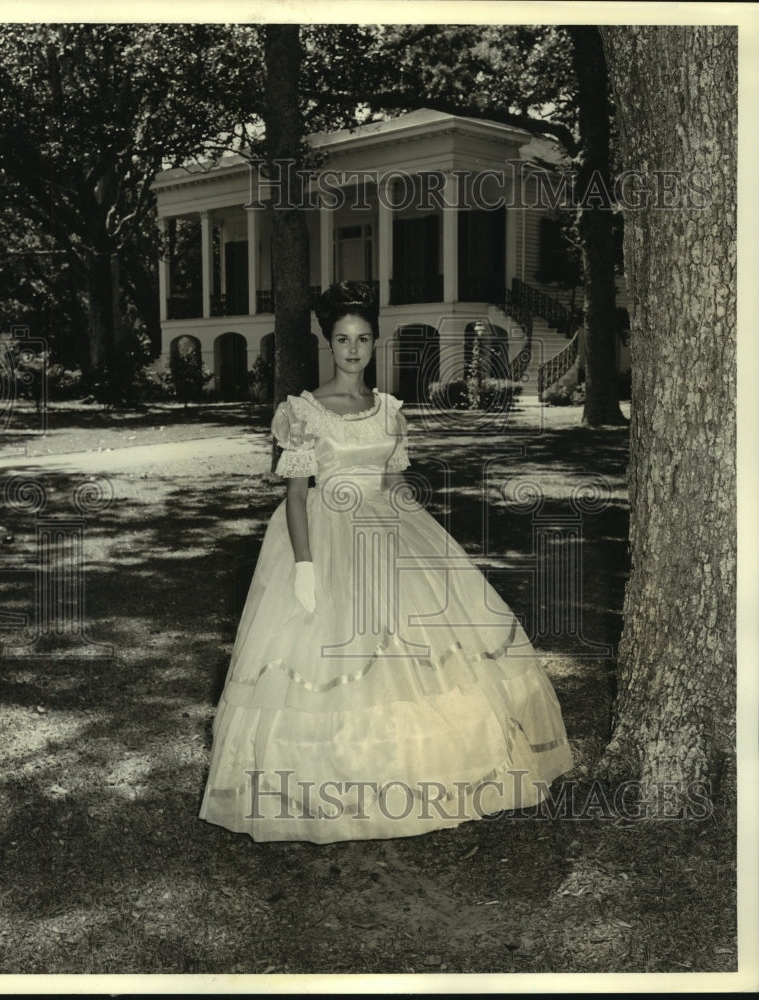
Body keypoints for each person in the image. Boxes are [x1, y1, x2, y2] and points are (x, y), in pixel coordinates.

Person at [200, 281, 573, 843]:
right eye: (344, 338)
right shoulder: (302, 412)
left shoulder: (388, 410)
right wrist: (304, 565)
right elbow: (297, 495)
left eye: (364, 338)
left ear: (375, 344)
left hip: (388, 532)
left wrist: (429, 545)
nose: (354, 349)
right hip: (326, 532)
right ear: (330, 342)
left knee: (426, 650)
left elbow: (396, 486)